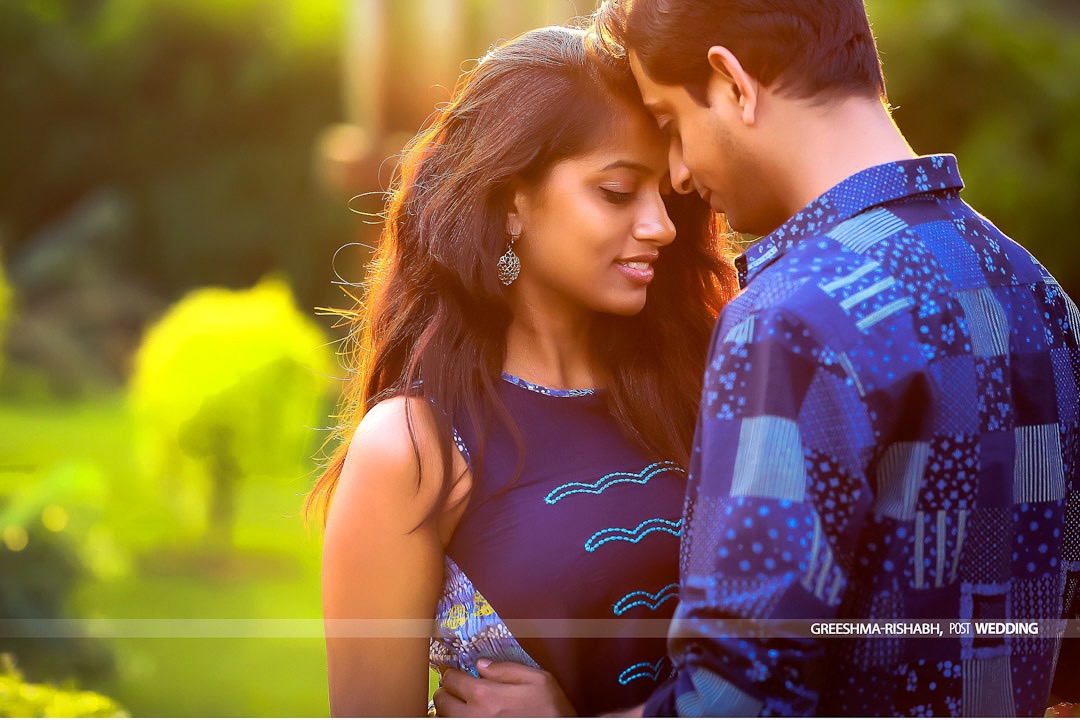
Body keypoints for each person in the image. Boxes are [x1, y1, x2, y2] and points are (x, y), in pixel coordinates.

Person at [435, 0, 1080, 716]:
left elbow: (738, 699)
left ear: (734, 84)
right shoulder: (1035, 292)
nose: (678, 175)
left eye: (673, 125)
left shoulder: (790, 318)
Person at [304, 25, 739, 717]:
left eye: (667, 194)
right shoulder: (413, 451)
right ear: (511, 202)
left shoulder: (703, 383)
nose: (661, 225)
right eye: (620, 192)